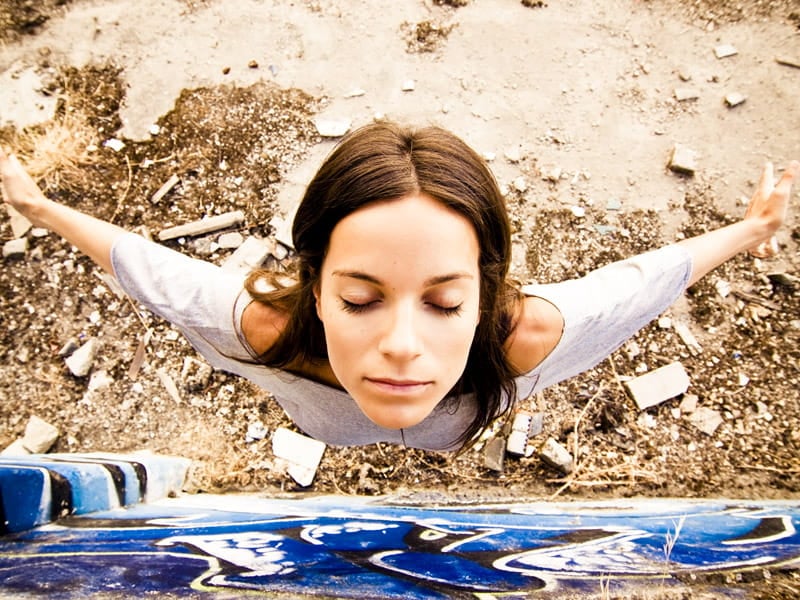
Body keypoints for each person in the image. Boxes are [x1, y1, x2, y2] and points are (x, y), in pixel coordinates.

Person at [1, 122, 797, 452]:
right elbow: (153, 270)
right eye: (359, 298)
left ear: (485, 296)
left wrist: (750, 233)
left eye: (446, 302)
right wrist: (37, 207)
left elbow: (641, 282)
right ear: (313, 290)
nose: (403, 345)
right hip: (326, 427)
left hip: (458, 431)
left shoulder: (531, 333)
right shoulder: (267, 329)